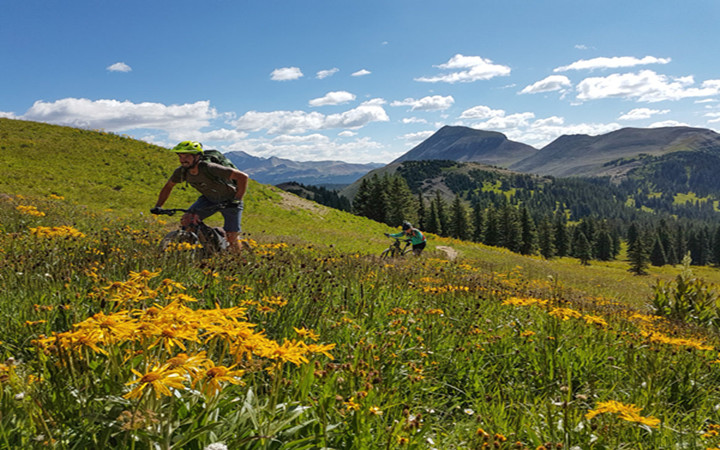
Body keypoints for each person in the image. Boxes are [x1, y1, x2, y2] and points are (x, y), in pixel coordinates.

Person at [151, 141, 249, 253]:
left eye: (187, 156)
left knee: (231, 236)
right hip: (209, 198)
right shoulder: (181, 171)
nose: (183, 159)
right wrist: (158, 206)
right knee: (187, 220)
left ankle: (237, 261)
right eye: (180, 156)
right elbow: (168, 186)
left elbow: (243, 177)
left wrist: (237, 199)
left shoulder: (210, 168)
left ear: (197, 156)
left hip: (230, 201)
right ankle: (202, 249)